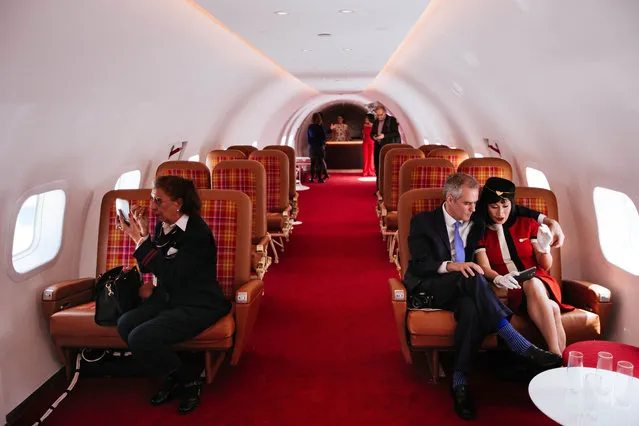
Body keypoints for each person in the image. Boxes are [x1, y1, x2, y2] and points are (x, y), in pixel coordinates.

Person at [403, 173, 565, 421]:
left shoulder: (475, 218)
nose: (474, 208)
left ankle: (459, 383)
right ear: (450, 199)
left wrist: (549, 221)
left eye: (476, 203)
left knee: (471, 305)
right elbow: (421, 264)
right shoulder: (423, 222)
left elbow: (513, 208)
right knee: (469, 273)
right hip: (435, 285)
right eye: (468, 203)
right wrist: (451, 265)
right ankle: (516, 342)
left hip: (468, 290)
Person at [116, 175, 232, 414]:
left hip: (199, 302)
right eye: (152, 199)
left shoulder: (197, 233)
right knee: (125, 324)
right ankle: (173, 374)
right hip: (168, 297)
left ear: (178, 202)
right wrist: (145, 235)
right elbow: (150, 267)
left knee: (140, 337)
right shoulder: (162, 226)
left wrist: (137, 240)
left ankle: (189, 382)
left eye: (159, 201)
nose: (153, 207)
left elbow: (172, 273)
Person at [475, 177, 573, 356]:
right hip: (509, 286)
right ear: (486, 206)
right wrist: (498, 278)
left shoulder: (527, 223)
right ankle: (561, 361)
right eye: (494, 206)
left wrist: (544, 249)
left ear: (512, 204)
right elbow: (484, 266)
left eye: (505, 206)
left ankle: (553, 354)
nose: (500, 213)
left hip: (541, 282)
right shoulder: (480, 230)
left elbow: (545, 266)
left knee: (532, 283)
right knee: (553, 308)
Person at [370, 105, 400, 194]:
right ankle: (378, 189)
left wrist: (384, 136)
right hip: (378, 147)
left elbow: (395, 133)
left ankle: (387, 190)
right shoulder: (375, 122)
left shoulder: (392, 120)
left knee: (388, 169)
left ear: (385, 112)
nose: (379, 117)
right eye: (378, 115)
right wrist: (373, 137)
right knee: (378, 169)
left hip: (388, 148)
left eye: (381, 114)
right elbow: (372, 133)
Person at [307, 112, 327, 183]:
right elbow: (324, 137)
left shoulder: (310, 126)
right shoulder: (320, 126)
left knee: (313, 163)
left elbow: (308, 137)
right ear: (319, 119)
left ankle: (312, 178)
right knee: (320, 163)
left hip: (312, 147)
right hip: (319, 146)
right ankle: (319, 179)